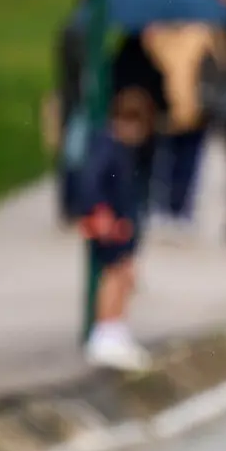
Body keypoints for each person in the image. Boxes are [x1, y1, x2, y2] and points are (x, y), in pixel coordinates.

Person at [77, 87, 158, 371]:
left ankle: (115, 329)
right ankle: (106, 331)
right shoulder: (109, 148)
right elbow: (93, 183)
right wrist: (103, 215)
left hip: (121, 223)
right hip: (112, 224)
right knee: (115, 275)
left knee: (124, 276)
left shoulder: (117, 148)